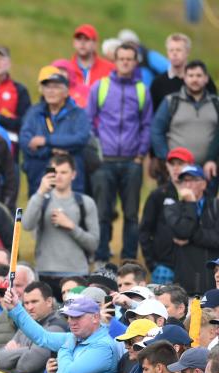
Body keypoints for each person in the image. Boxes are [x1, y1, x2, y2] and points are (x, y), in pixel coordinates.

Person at [87, 42, 153, 263]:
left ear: (135, 62)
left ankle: (129, 260)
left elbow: (147, 125)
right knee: (103, 212)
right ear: (115, 61)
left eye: (129, 59)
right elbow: (89, 121)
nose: (125, 62)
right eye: (121, 58)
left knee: (132, 214)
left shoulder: (142, 90)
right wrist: (98, 151)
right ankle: (102, 258)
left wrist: (140, 155)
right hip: (104, 161)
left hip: (131, 162)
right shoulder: (101, 86)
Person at [22, 153, 99, 295]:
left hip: (77, 274)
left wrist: (71, 227)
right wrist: (40, 192)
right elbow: (26, 225)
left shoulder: (85, 202)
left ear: (73, 174)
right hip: (45, 272)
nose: (58, 176)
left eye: (64, 172)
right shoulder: (41, 199)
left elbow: (93, 244)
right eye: (54, 172)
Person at [20, 67, 91, 194]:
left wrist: (46, 140)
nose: (51, 91)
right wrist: (52, 150)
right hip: (39, 177)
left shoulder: (77, 114)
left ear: (66, 92)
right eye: (47, 87)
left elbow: (81, 138)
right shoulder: (34, 112)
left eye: (56, 87)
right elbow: (25, 141)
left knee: (69, 212)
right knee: (32, 212)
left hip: (70, 181)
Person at [151, 61, 219, 175]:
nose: (194, 80)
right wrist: (167, 158)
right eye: (191, 75)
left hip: (209, 169)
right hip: (177, 170)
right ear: (184, 78)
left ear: (206, 78)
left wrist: (212, 159)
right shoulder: (171, 101)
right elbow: (156, 130)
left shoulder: (216, 103)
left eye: (199, 75)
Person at [140, 147, 195, 284]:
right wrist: (151, 263)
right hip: (163, 265)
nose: (176, 168)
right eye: (172, 164)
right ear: (167, 166)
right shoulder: (158, 194)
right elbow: (145, 230)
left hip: (194, 265)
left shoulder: (201, 196)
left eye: (180, 164)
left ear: (191, 166)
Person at [164, 164, 219, 295]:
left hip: (212, 279)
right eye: (184, 181)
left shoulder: (216, 206)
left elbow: (217, 239)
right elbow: (183, 231)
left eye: (193, 180)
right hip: (186, 279)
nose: (187, 185)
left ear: (203, 184)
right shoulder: (172, 208)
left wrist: (190, 237)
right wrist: (190, 203)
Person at [150, 33, 217, 113]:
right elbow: (153, 113)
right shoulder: (158, 83)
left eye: (178, 50)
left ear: (187, 52)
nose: (174, 54)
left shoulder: (202, 80)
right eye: (171, 50)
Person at [0, 45, 30, 147]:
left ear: (9, 64)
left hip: (9, 143)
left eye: (1, 58)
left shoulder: (19, 90)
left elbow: (25, 122)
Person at [69, 24, 115, 88]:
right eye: (79, 39)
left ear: (95, 44)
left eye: (87, 39)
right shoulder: (66, 69)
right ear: (74, 43)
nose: (82, 42)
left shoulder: (110, 69)